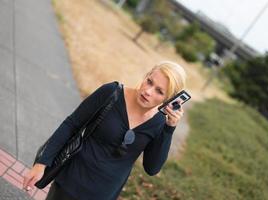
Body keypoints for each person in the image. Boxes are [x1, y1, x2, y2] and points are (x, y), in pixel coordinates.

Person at [23, 61, 187, 200]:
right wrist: (42, 162)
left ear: (169, 99)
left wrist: (169, 129)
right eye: (149, 81)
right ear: (146, 76)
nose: (148, 91)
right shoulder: (111, 93)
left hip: (104, 194)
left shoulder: (159, 123)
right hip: (70, 182)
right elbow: (71, 124)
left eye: (159, 91)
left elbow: (152, 168)